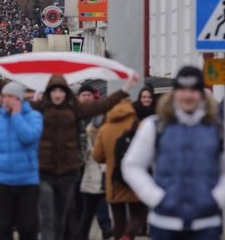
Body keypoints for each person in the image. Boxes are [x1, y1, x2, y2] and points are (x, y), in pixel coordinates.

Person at [122, 66, 225, 240]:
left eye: (193, 90)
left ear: (201, 93)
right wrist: (155, 197)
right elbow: (132, 165)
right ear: (174, 93)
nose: (188, 96)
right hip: (164, 224)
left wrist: (217, 199)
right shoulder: (155, 126)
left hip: (206, 224)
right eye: (182, 90)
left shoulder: (219, 128)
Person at [33, 74, 138, 240]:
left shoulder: (75, 108)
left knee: (61, 215)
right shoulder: (41, 107)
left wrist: (126, 87)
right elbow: (14, 101)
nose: (57, 95)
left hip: (67, 172)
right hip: (44, 171)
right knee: (47, 216)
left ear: (66, 93)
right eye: (54, 91)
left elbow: (103, 105)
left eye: (61, 91)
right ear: (49, 93)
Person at [0, 82, 43, 240]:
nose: (7, 100)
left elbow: (29, 138)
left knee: (27, 228)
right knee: (2, 228)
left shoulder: (34, 117)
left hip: (27, 181)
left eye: (11, 97)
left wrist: (16, 116)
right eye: (5, 96)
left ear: (20, 99)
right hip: (1, 181)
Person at [93, 82, 147, 240]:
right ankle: (128, 236)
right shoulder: (138, 125)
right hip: (135, 178)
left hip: (114, 178)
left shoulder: (105, 128)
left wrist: (110, 158)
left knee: (118, 220)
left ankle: (121, 237)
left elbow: (97, 156)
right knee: (139, 213)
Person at [79, 119, 114, 240]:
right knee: (89, 210)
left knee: (95, 206)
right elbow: (85, 157)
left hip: (100, 176)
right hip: (93, 176)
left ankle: (105, 228)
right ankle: (103, 228)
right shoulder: (89, 136)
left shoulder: (104, 134)